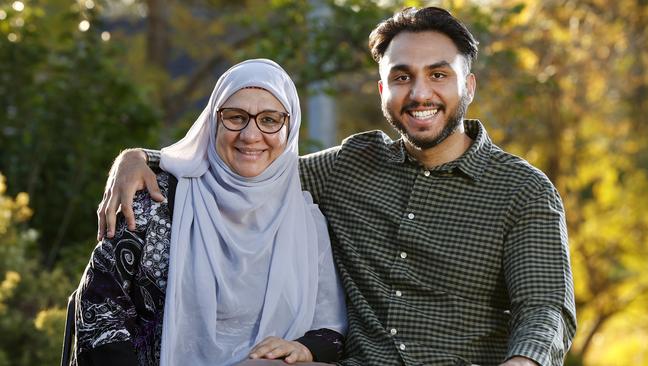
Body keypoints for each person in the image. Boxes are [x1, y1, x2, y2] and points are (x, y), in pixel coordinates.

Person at [96, 7, 577, 366]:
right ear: (382, 90)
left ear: (468, 87)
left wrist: (524, 362)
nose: (420, 93)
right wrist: (140, 158)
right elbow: (254, 164)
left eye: (439, 75)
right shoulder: (350, 166)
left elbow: (545, 310)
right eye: (402, 77)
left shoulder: (522, 191)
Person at [73, 59, 347, 366]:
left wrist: (304, 349)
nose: (250, 135)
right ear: (213, 122)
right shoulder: (154, 201)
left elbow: (330, 329)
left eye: (269, 120)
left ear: (290, 128)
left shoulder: (307, 222)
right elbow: (99, 313)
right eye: (235, 117)